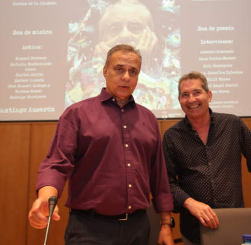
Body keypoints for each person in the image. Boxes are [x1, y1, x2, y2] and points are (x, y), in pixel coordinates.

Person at [28, 44, 175, 245]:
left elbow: (159, 176)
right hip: (89, 229)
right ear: (105, 71)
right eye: (119, 69)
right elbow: (56, 162)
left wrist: (166, 223)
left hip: (139, 228)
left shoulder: (148, 118)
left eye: (133, 71)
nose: (126, 77)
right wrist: (45, 197)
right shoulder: (76, 114)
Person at [162, 71, 251, 245]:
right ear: (179, 100)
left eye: (197, 92)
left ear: (208, 95)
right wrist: (188, 202)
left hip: (233, 223)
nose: (191, 99)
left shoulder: (232, 124)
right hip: (193, 228)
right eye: (185, 95)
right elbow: (166, 180)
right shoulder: (172, 136)